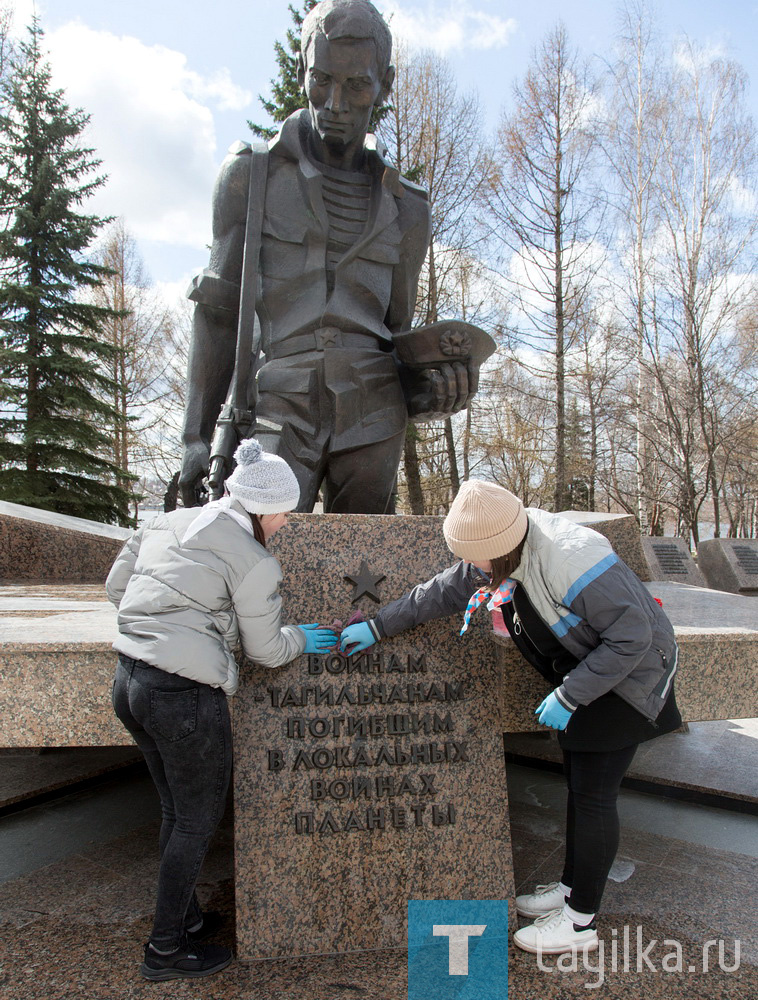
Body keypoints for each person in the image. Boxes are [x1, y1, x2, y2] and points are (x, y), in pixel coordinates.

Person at [339, 479, 682, 957]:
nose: (472, 570)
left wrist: (570, 695)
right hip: (587, 672)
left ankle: (579, 924)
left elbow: (632, 637)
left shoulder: (572, 559)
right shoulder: (501, 544)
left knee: (595, 796)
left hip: (627, 678)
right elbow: (441, 592)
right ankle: (569, 890)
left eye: (476, 560)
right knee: (581, 789)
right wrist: (378, 625)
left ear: (499, 546)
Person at [179, 0, 478, 514]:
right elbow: (218, 311)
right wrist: (194, 438)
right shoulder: (250, 178)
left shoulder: (410, 210)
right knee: (252, 564)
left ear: (384, 83)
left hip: (373, 418)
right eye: (322, 81)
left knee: (368, 583)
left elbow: (395, 336)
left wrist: (436, 388)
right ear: (303, 72)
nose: (335, 103)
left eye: (357, 85)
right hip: (277, 411)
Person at [106, 440, 337, 981]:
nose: (285, 523)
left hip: (129, 680)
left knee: (174, 812)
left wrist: (167, 627)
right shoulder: (253, 560)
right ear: (261, 508)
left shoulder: (167, 521)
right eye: (284, 512)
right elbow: (266, 651)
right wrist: (300, 638)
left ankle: (183, 920)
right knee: (196, 822)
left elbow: (118, 587)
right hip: (183, 695)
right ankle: (165, 951)